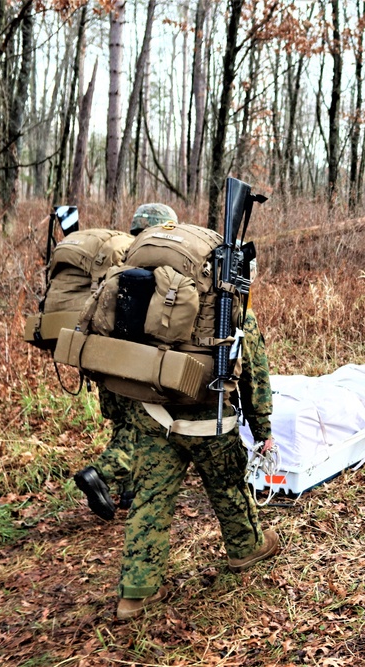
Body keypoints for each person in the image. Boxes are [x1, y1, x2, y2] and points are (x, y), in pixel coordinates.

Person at [115, 304, 277, 620]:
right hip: (210, 421)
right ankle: (246, 548)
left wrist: (124, 415)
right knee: (228, 487)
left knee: (150, 500)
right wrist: (262, 431)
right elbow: (253, 374)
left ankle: (136, 593)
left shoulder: (148, 293)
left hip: (153, 416)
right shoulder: (230, 301)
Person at [73, 203, 178, 521]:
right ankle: (100, 474)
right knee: (144, 429)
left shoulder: (113, 260)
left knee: (124, 426)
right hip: (135, 365)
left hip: (103, 359)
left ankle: (129, 492)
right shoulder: (159, 263)